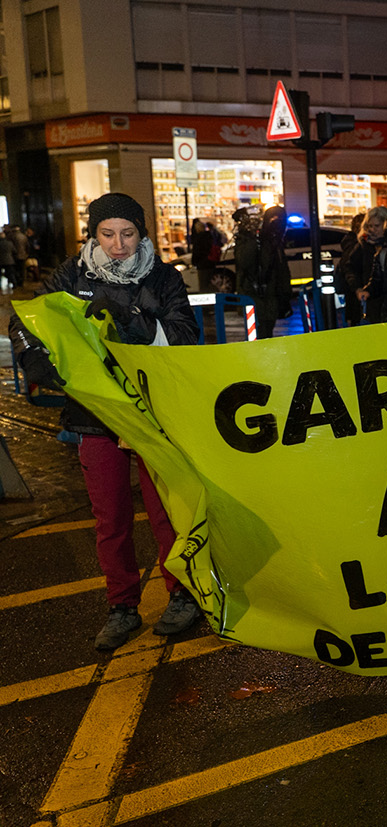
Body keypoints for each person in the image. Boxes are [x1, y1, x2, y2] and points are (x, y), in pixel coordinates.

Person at [8, 193, 202, 650]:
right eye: (107, 234)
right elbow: (24, 318)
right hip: (95, 416)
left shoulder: (163, 277)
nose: (118, 244)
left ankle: (182, 595)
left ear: (143, 233)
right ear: (92, 235)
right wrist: (30, 352)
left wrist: (135, 320)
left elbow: (185, 336)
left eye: (128, 234)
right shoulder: (70, 275)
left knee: (166, 513)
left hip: (152, 413)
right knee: (109, 518)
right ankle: (122, 607)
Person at [234, 204, 292, 339]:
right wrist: (252, 236)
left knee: (266, 335)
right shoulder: (254, 239)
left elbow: (281, 270)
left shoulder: (275, 241)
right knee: (257, 337)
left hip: (270, 299)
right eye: (274, 220)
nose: (277, 225)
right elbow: (245, 262)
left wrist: (285, 296)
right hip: (254, 298)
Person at [345, 207, 387, 324]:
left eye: (377, 226)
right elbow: (350, 268)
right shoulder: (363, 245)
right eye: (370, 226)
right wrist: (358, 288)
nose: (372, 230)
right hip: (369, 299)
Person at [338, 212, 366, 325]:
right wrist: (357, 287)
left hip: (353, 293)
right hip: (356, 295)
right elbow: (349, 269)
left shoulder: (351, 244)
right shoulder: (356, 246)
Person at [189, 218, 215, 292]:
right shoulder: (208, 236)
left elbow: (197, 252)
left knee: (203, 284)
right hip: (210, 263)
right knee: (207, 282)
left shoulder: (199, 239)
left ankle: (206, 300)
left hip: (202, 264)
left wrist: (194, 262)